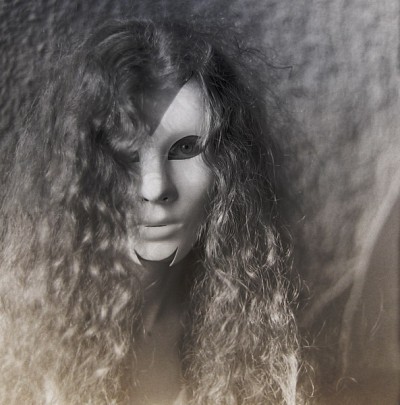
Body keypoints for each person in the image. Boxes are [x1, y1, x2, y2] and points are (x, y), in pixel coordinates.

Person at [0, 18, 303, 405]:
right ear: (71, 172)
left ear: (231, 169)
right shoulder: (13, 346)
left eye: (186, 148)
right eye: (125, 152)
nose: (155, 187)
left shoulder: (260, 334)